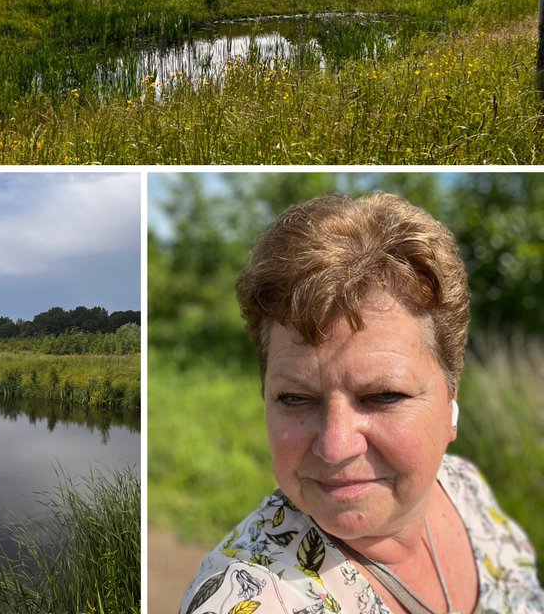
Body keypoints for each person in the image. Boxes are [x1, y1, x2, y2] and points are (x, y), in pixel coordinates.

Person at [180, 192, 544, 614]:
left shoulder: (466, 489)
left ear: (452, 397)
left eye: (384, 396)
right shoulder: (251, 598)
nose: (335, 446)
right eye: (296, 398)